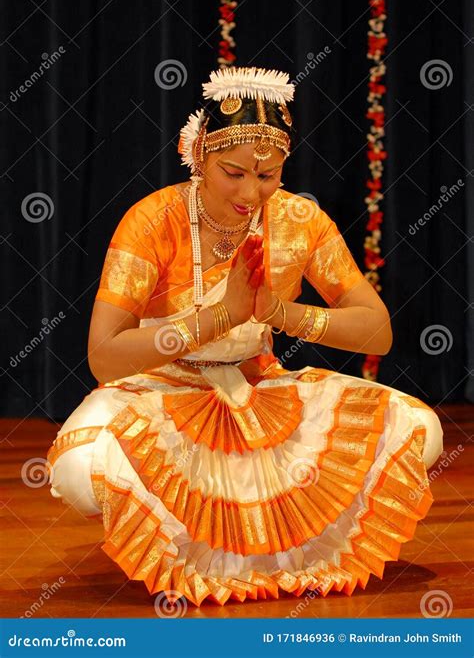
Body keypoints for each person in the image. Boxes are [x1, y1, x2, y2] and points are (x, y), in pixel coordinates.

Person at [46, 66, 443, 607]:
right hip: (161, 390)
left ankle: (252, 551)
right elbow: (103, 358)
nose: (250, 192)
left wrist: (280, 311)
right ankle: (181, 541)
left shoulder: (299, 220)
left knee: (421, 429)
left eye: (268, 175)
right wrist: (220, 316)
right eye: (233, 172)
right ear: (199, 156)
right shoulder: (153, 220)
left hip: (258, 390)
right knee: (77, 469)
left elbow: (377, 333)